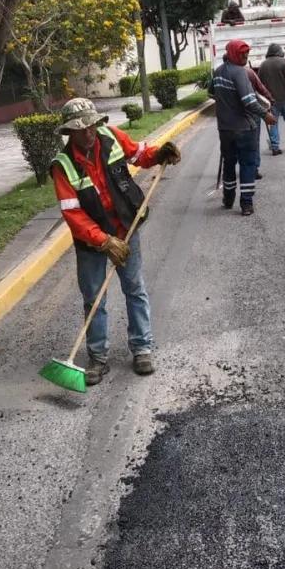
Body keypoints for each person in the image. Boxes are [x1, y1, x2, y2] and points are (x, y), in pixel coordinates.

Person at [50, 97, 181, 385]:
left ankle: (142, 349)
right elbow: (73, 214)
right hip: (92, 240)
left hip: (125, 227)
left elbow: (139, 154)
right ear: (69, 132)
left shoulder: (110, 136)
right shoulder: (63, 166)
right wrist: (103, 241)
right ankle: (97, 357)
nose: (90, 132)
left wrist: (161, 154)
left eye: (93, 125)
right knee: (94, 298)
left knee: (135, 288)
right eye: (82, 129)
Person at [212, 38, 274, 215]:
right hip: (245, 128)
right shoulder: (240, 73)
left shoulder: (217, 72)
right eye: (242, 54)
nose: (246, 56)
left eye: (247, 53)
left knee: (229, 164)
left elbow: (211, 93)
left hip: (225, 129)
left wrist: (226, 102)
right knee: (247, 164)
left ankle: (228, 198)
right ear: (233, 54)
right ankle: (246, 203)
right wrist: (266, 115)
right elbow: (249, 102)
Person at [258, 42, 285, 155]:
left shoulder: (263, 65)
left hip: (271, 101)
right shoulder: (283, 62)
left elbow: (259, 84)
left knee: (273, 123)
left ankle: (275, 147)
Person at [245, 64, 273, 179]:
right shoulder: (248, 72)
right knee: (254, 140)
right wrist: (270, 100)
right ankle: (254, 168)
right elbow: (261, 89)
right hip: (252, 112)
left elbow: (212, 93)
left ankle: (241, 167)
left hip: (233, 115)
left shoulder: (221, 73)